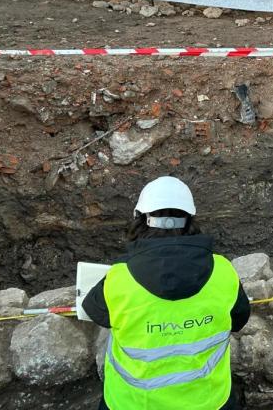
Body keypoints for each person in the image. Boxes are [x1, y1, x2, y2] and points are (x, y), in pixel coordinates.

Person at [83, 176, 250, 410]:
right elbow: (239, 319)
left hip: (132, 404)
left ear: (140, 221)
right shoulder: (223, 272)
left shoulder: (119, 279)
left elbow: (93, 310)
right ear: (190, 221)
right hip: (210, 402)